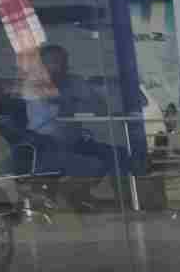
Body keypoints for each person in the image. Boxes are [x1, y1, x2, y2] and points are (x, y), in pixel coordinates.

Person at [22, 43, 123, 209]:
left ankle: (81, 193)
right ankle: (68, 194)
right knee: (91, 164)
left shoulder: (75, 81)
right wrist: (74, 100)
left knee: (115, 154)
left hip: (74, 140)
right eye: (54, 61)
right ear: (42, 64)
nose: (61, 66)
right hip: (45, 143)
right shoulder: (33, 84)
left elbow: (99, 106)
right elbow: (59, 108)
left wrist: (82, 101)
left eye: (63, 61)